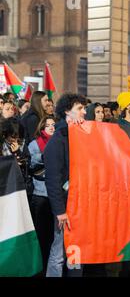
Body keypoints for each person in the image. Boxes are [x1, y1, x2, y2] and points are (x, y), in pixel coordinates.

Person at [45, 93, 87, 277]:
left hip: (81, 204)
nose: (85, 112)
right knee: (59, 253)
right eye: (80, 108)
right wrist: (60, 211)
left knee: (78, 251)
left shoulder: (84, 135)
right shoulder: (58, 140)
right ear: (67, 112)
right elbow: (53, 180)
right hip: (65, 206)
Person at [28, 116, 56, 274]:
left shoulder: (60, 142)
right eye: (48, 125)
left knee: (53, 235)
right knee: (41, 234)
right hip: (40, 194)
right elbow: (33, 165)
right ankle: (39, 267)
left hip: (55, 194)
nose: (51, 127)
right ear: (42, 128)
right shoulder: (35, 144)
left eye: (53, 124)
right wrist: (48, 156)